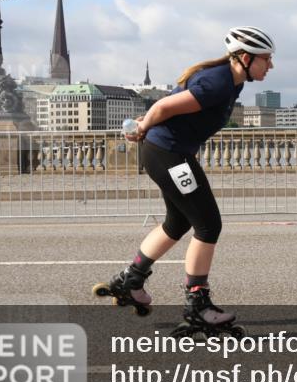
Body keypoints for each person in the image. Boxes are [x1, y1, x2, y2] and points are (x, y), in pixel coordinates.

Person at [92, 26, 275, 337]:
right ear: (245, 58)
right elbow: (163, 106)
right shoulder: (218, 82)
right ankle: (198, 305)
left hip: (170, 153)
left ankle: (130, 280)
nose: (270, 65)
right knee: (208, 225)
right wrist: (142, 127)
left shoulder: (231, 80)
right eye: (266, 59)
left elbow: (173, 103)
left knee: (177, 223)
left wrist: (147, 125)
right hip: (170, 155)